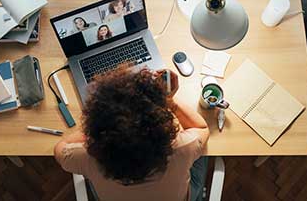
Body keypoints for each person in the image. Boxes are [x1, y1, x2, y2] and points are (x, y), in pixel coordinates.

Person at [54, 66, 210, 201]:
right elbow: (202, 128)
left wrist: (95, 127)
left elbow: (60, 147)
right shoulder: (182, 148)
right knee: (203, 151)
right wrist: (169, 101)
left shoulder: (86, 157)